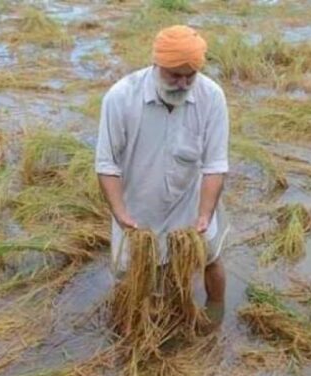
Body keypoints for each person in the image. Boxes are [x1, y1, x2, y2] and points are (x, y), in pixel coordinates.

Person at [94, 25, 230, 317]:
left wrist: (205, 214)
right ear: (156, 65)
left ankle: (215, 320)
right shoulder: (120, 98)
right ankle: (130, 328)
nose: (182, 84)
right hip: (137, 210)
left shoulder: (211, 97)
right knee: (131, 275)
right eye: (173, 75)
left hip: (193, 205)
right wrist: (120, 215)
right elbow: (107, 165)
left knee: (211, 260)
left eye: (189, 76)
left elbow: (215, 164)